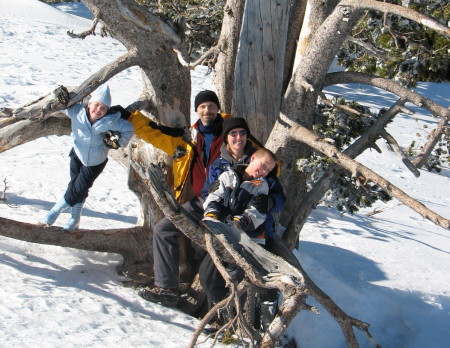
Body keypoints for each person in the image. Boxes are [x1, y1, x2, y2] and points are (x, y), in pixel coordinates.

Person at [116, 90, 230, 306]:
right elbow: (155, 133)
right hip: (199, 203)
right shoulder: (188, 138)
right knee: (163, 229)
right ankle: (167, 287)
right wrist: (129, 117)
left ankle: (219, 303)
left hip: (226, 204)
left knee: (216, 246)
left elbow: (260, 157)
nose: (207, 110)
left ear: (218, 108)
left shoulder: (232, 132)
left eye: (211, 106)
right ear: (197, 111)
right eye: (203, 106)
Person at [43, 84, 134, 230]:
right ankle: (74, 219)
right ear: (89, 104)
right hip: (77, 155)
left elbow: (129, 128)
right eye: (96, 105)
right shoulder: (76, 112)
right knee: (76, 187)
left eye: (103, 108)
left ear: (107, 110)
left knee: (77, 189)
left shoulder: (110, 121)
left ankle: (54, 212)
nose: (98, 110)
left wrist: (119, 142)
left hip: (95, 162)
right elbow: (64, 106)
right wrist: (61, 98)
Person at [199, 148, 278, 310]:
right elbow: (214, 195)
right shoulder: (227, 176)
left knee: (237, 279)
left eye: (268, 170)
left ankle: (235, 319)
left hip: (247, 240)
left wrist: (240, 222)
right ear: (253, 157)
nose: (263, 172)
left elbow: (256, 213)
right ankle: (218, 312)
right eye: (263, 166)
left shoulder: (261, 186)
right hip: (222, 235)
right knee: (208, 276)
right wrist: (212, 212)